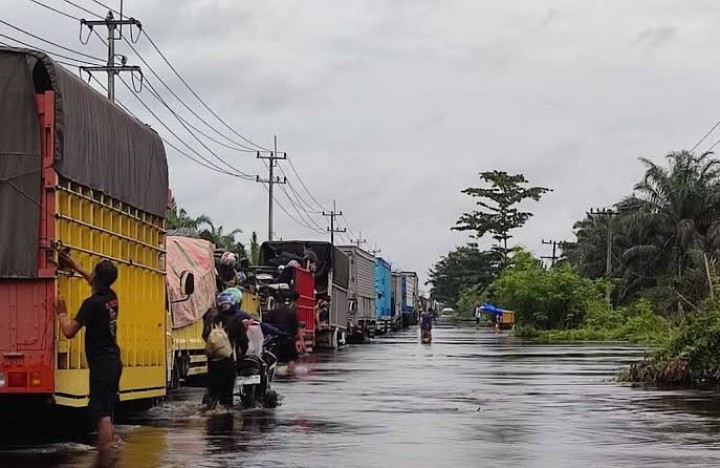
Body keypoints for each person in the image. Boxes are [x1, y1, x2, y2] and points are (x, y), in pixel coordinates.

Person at [55, 253, 122, 449]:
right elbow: (92, 279)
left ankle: (105, 456)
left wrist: (61, 314)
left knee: (102, 417)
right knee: (107, 414)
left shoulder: (91, 305)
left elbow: (68, 331)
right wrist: (74, 265)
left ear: (97, 278)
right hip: (113, 362)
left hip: (101, 366)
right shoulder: (112, 298)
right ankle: (111, 455)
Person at [202, 292, 249, 410]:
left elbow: (205, 336)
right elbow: (243, 342)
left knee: (212, 390)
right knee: (227, 394)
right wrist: (242, 356)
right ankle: (225, 421)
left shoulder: (211, 319)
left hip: (212, 361)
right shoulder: (236, 320)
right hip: (228, 362)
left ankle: (210, 409)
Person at [264, 291, 304, 374]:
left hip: (274, 341)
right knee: (291, 359)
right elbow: (298, 328)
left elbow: (265, 327)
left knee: (272, 359)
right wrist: (301, 341)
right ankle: (290, 373)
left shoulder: (272, 313)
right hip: (289, 340)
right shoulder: (292, 313)